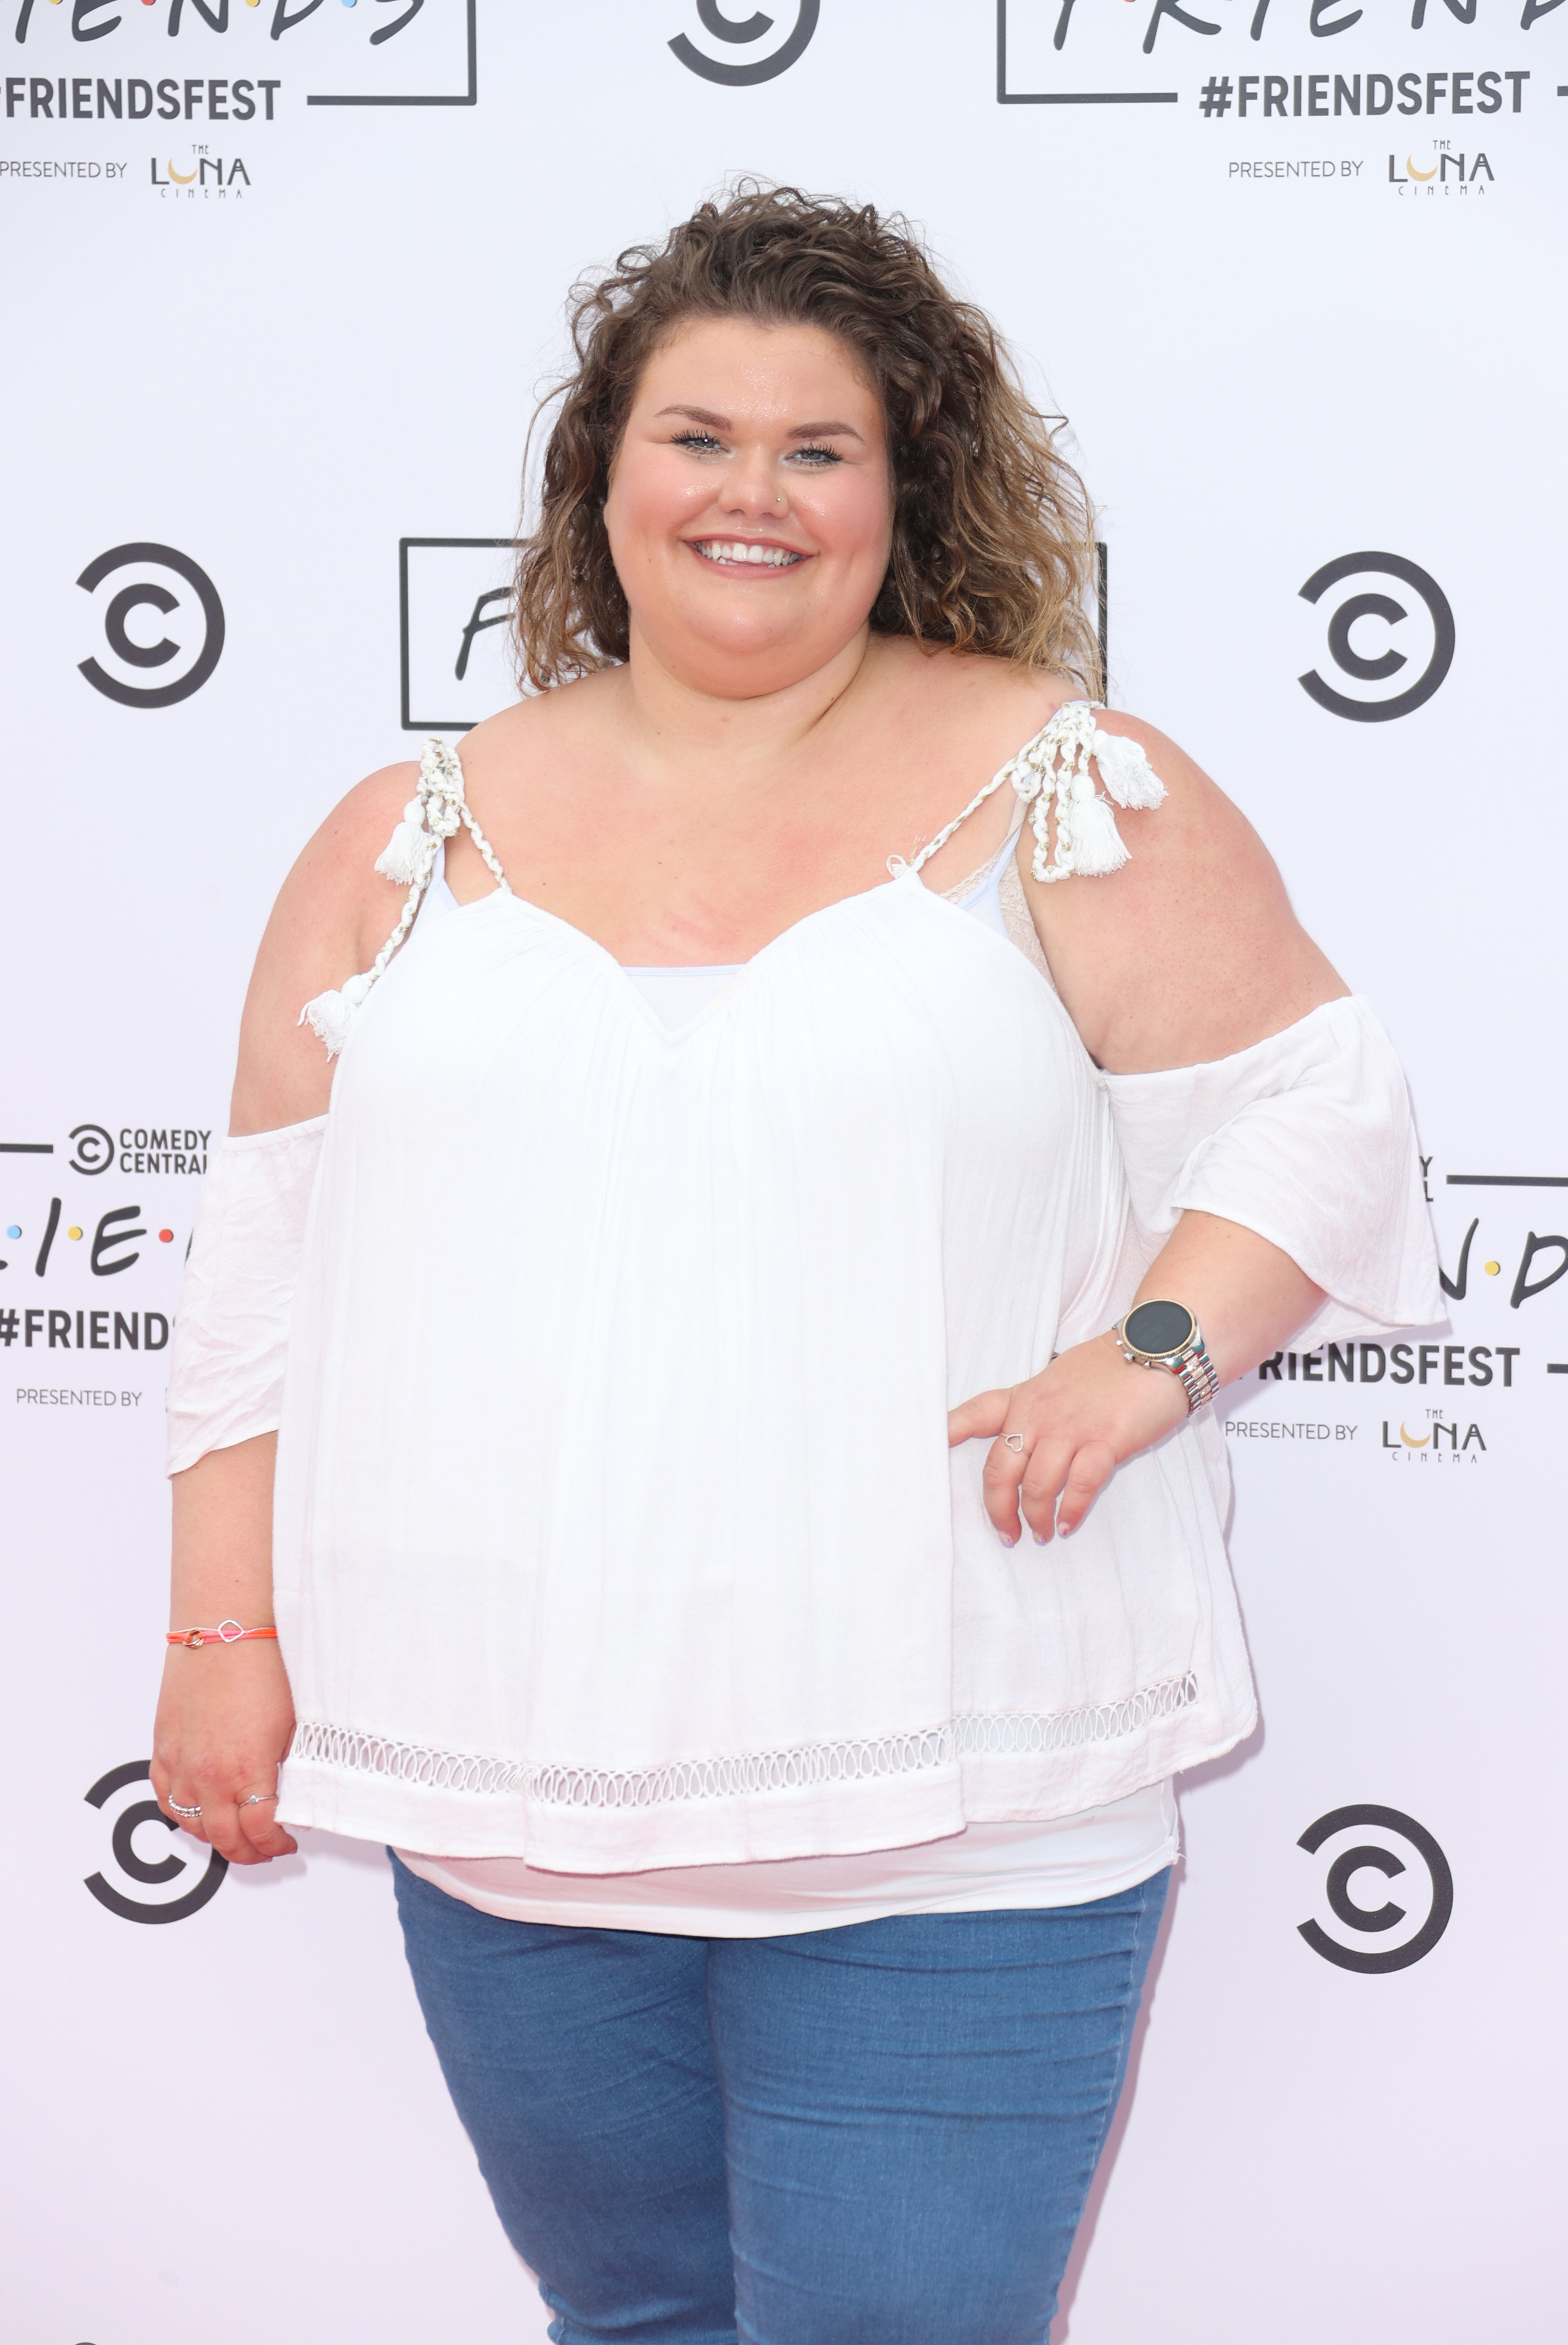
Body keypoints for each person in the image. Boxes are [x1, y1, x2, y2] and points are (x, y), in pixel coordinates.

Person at [154, 184, 1441, 2344]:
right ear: (602, 476)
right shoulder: (406, 831)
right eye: (698, 437)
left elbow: (1317, 1103)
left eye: (816, 448)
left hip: (959, 1806)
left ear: (899, 491)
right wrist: (217, 1631)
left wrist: (1151, 1348)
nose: (750, 493)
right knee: (632, 2327)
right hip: (502, 1806)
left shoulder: (1064, 788)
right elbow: (261, 1275)